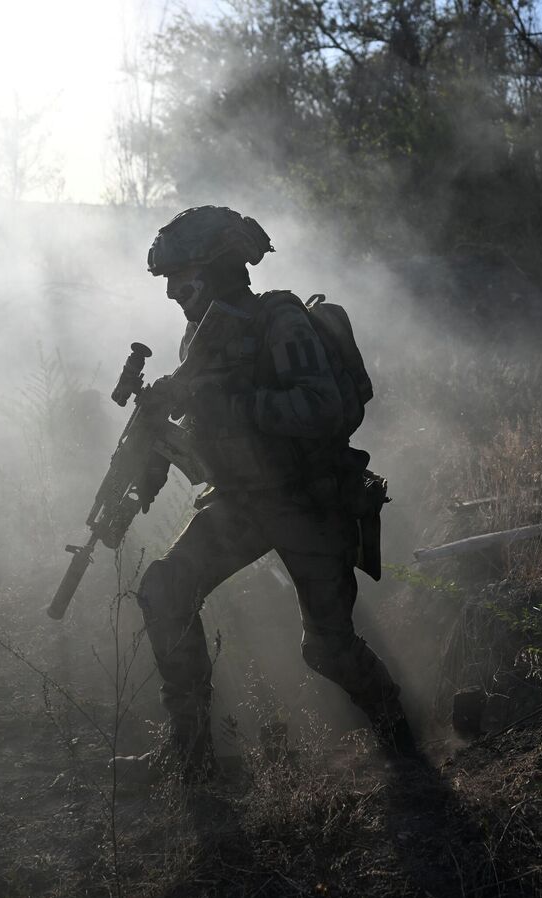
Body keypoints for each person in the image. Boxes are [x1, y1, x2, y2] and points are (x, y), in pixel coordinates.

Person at [114, 205, 414, 783]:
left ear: (219, 267)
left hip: (309, 500)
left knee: (327, 647)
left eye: (182, 278)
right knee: (165, 589)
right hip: (242, 501)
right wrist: (163, 449)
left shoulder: (280, 320)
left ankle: (403, 741)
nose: (173, 292)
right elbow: (211, 438)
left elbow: (323, 407)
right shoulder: (199, 338)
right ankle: (192, 760)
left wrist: (231, 406)